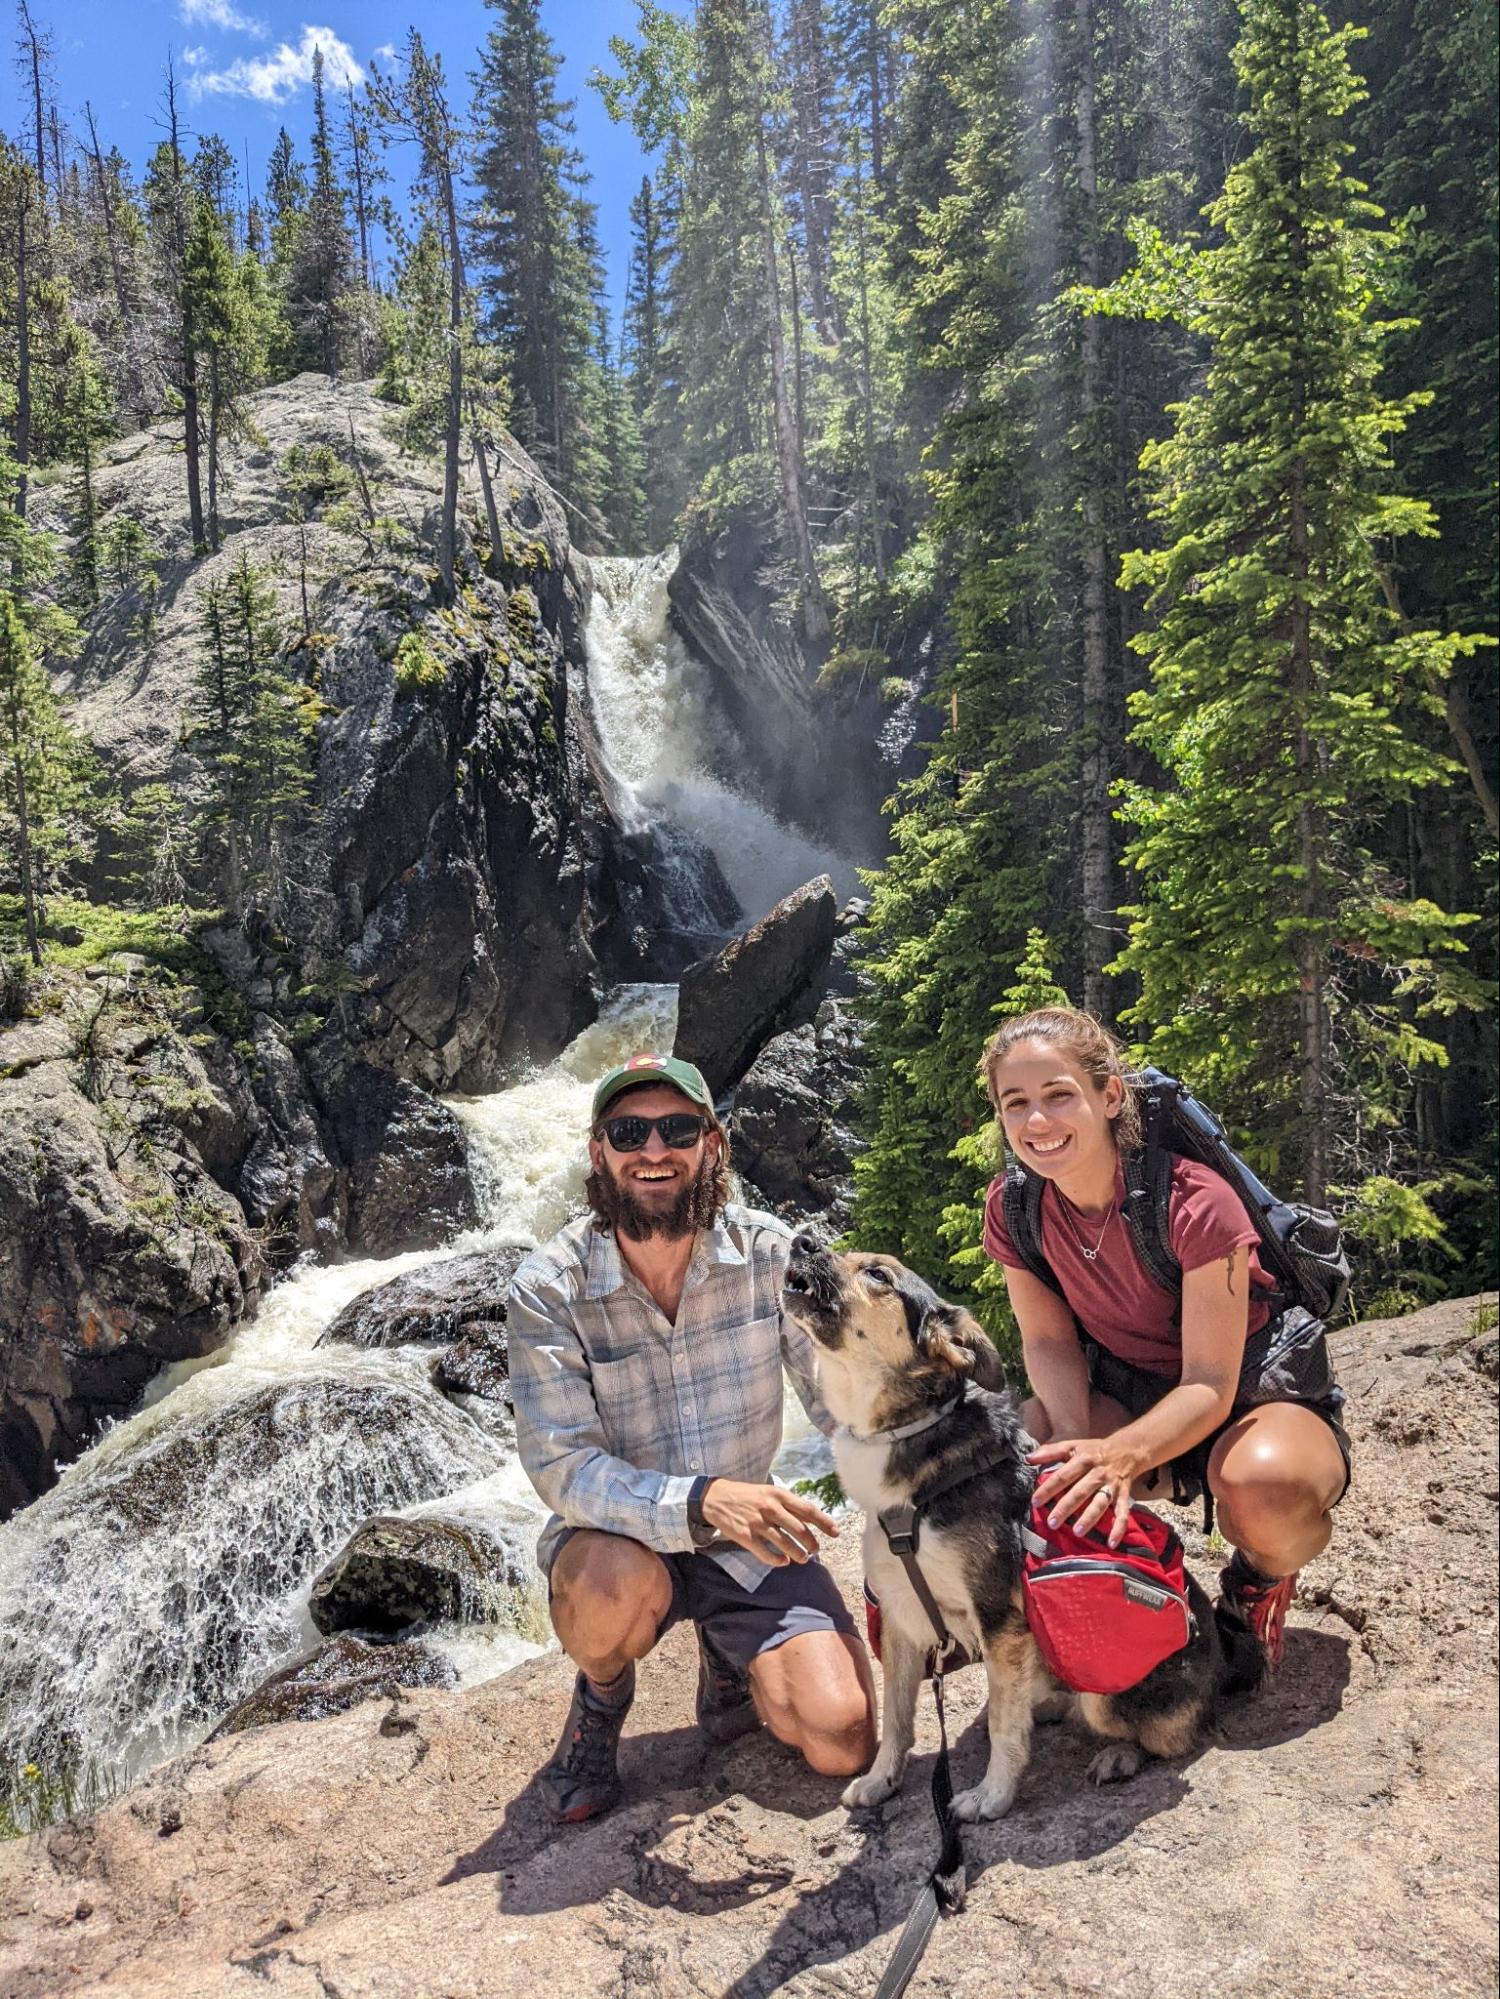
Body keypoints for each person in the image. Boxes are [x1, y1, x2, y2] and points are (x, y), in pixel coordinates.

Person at [507, 1051, 877, 1823]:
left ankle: (726, 1658)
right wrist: (704, 1502)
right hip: (620, 1540)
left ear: (714, 1145)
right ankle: (602, 1700)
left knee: (842, 1739)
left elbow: (846, 1403)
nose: (653, 1149)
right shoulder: (548, 1287)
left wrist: (916, 1513)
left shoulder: (771, 1253)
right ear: (598, 1150)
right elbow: (562, 1466)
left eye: (677, 1128)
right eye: (629, 1130)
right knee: (603, 1590)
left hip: (749, 1541)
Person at [981, 1007, 1351, 1681]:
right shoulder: (1015, 1207)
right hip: (1135, 1390)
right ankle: (1104, 1591)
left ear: (1109, 1095)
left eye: (1059, 1094)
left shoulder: (1194, 1200)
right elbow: (1047, 1340)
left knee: (1267, 1487)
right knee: (1027, 1456)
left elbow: (1211, 1379)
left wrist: (1119, 1457)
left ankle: (1256, 1579)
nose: (1037, 1121)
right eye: (1017, 1103)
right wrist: (1075, 1443)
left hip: (1248, 1389)